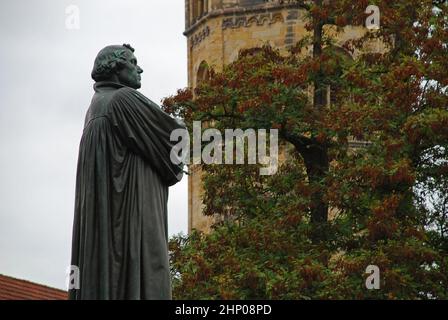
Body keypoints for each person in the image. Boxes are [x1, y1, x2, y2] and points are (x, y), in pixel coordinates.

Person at [69, 44, 185, 300]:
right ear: (116, 68)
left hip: (107, 234)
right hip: (131, 224)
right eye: (133, 62)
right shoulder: (123, 99)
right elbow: (173, 139)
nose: (139, 68)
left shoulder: (95, 108)